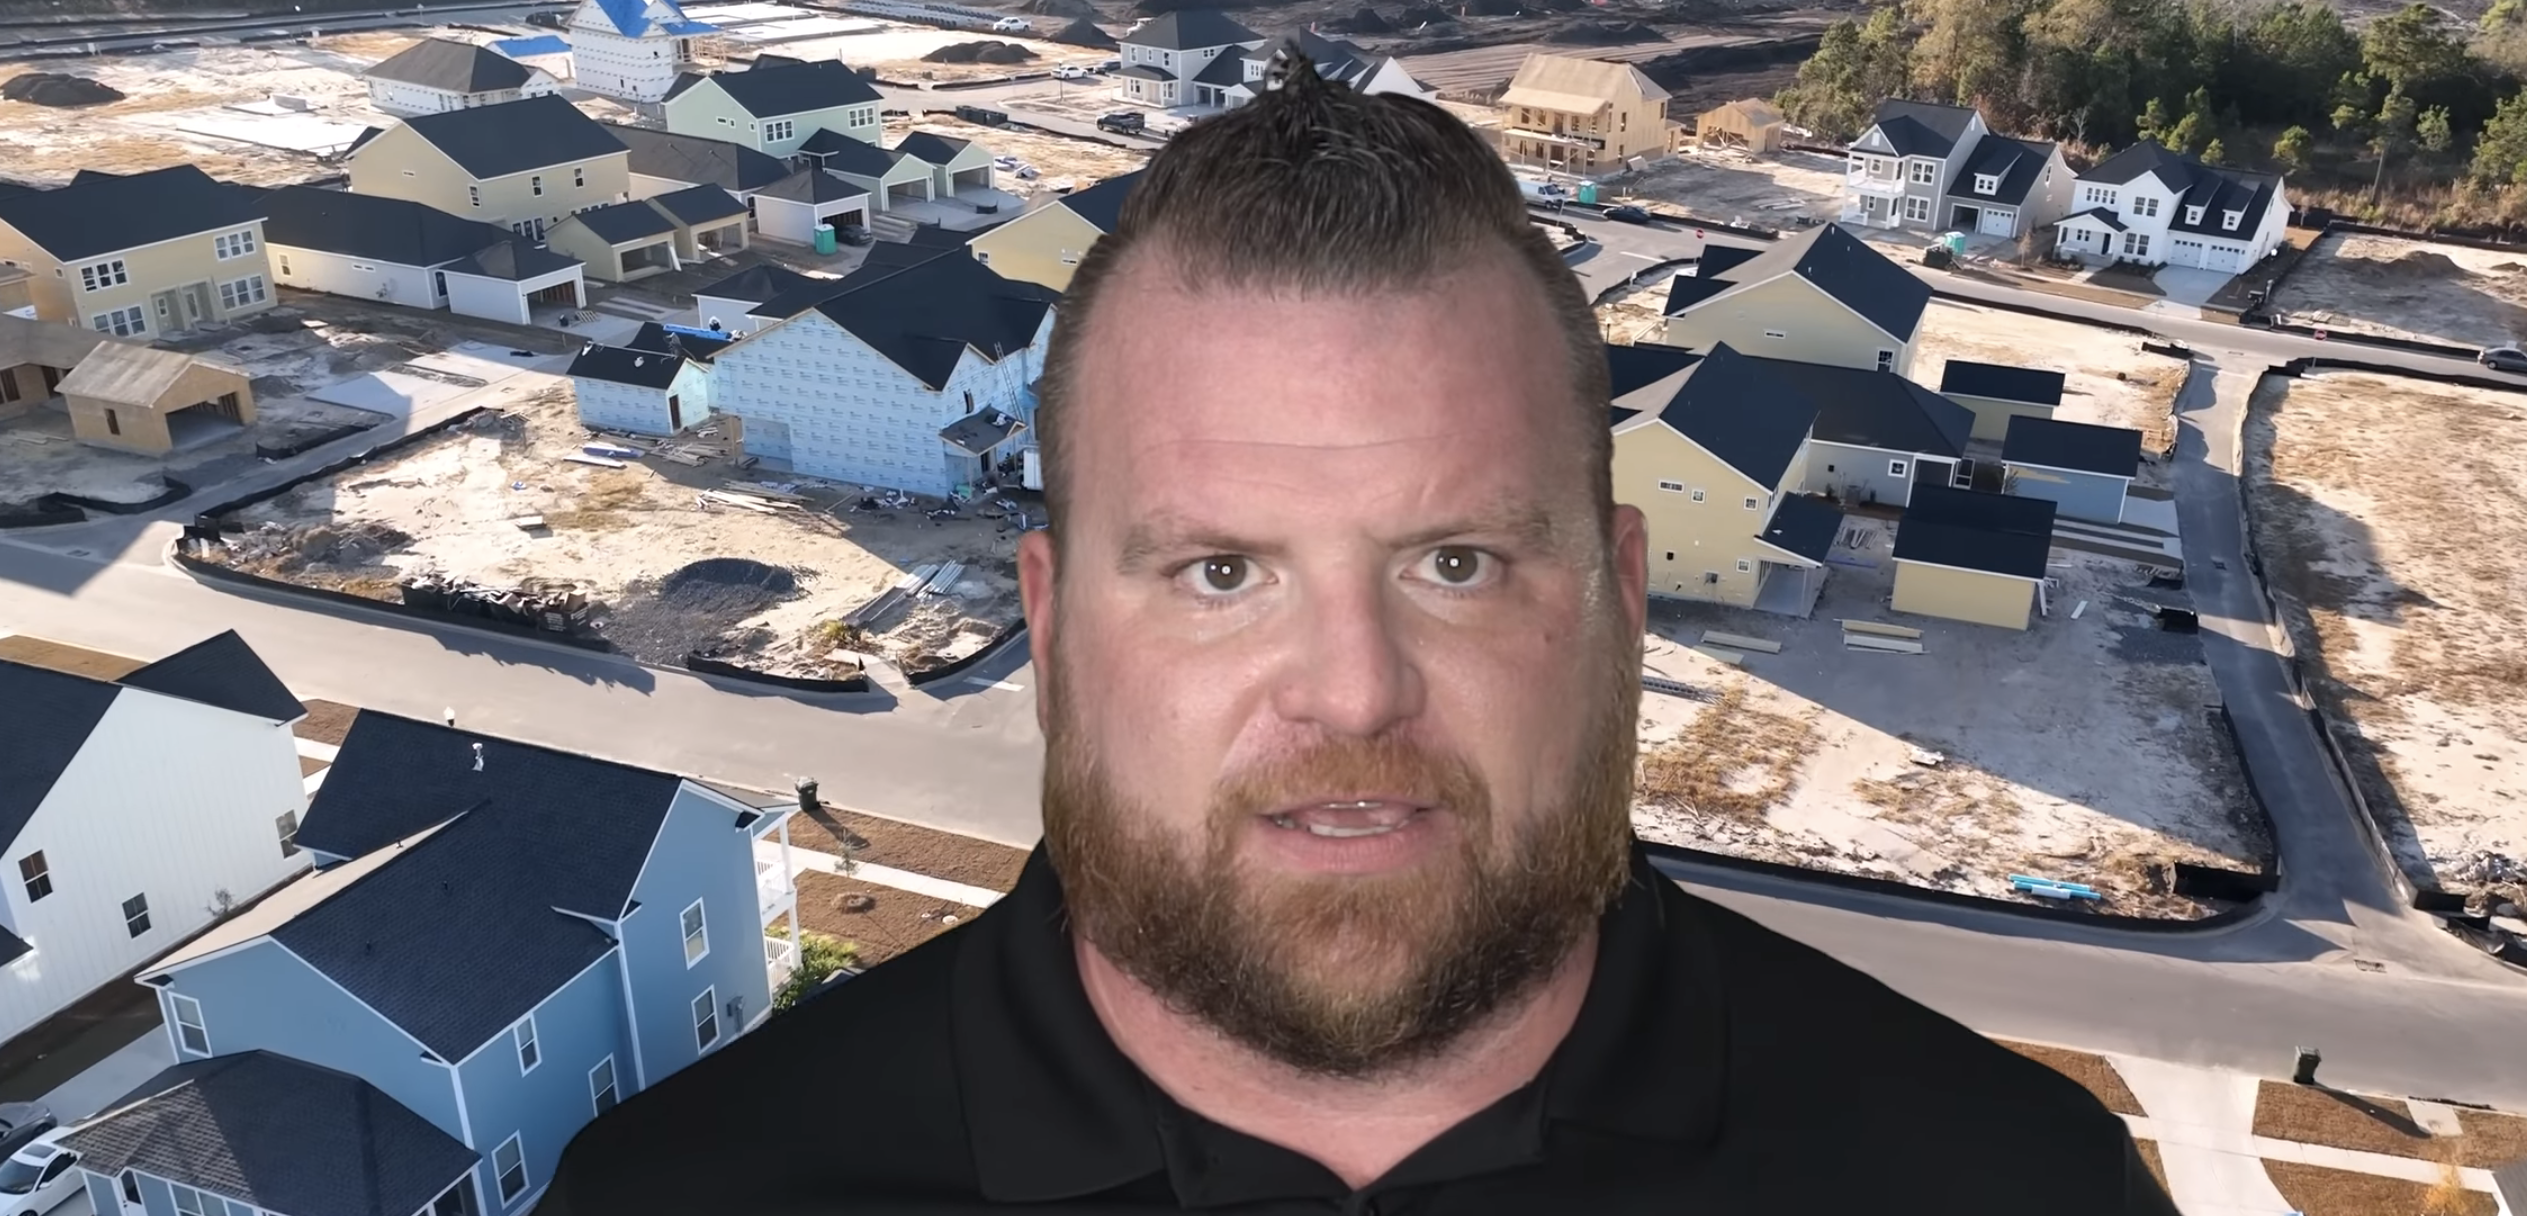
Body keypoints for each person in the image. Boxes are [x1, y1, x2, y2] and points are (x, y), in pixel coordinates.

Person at [537, 47, 2176, 1215]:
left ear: (1615, 604)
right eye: (1218, 573)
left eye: (1455, 563)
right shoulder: (684, 1195)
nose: (1351, 693)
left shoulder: (2011, 1185)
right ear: (1050, 632)